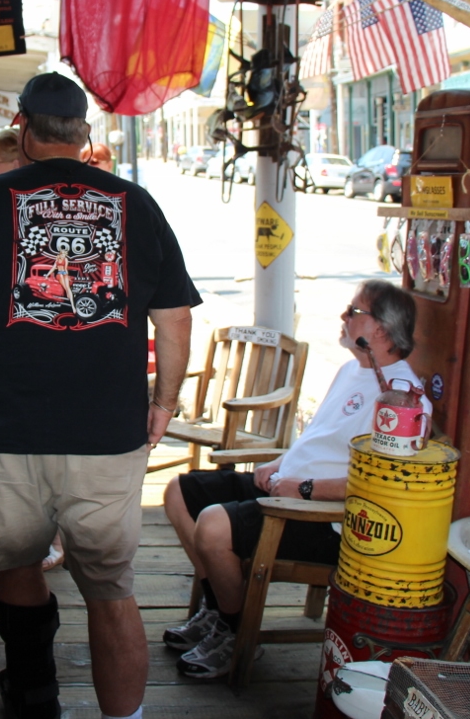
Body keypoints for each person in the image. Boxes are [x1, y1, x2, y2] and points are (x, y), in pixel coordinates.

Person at [0, 72, 200, 719]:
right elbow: (177, 319)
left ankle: (34, 694)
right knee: (111, 590)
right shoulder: (138, 204)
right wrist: (164, 402)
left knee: (18, 562)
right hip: (107, 430)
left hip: (4, 425)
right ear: (85, 133)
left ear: (22, 128)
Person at [161, 280, 428, 679]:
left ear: (382, 331)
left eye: (355, 312)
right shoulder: (351, 370)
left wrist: (303, 488)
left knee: (213, 527)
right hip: (286, 488)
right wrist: (280, 463)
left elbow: (379, 484)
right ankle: (220, 608)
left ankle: (236, 635)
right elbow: (321, 438)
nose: (344, 316)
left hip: (323, 518)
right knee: (180, 492)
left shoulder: (402, 400)